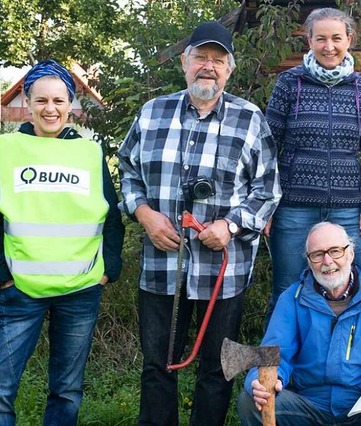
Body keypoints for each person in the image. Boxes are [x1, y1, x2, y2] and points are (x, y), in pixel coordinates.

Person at [117, 21, 281, 426]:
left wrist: (231, 225)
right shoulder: (152, 112)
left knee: (217, 369)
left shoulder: (250, 119)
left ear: (230, 68)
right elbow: (127, 171)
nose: (209, 66)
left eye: (218, 60)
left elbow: (268, 189)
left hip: (224, 272)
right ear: (184, 63)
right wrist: (144, 213)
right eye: (201, 57)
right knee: (158, 366)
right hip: (162, 267)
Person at [0, 59, 124, 425]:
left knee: (67, 391)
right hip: (19, 289)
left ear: (71, 103)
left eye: (58, 100)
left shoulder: (89, 151)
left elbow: (111, 216)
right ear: (27, 100)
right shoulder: (6, 149)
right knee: (2, 389)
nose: (50, 109)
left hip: (80, 290)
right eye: (41, 101)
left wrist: (109, 269)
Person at [237, 222, 361, 426]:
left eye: (335, 251)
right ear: (309, 261)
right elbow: (272, 355)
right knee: (250, 402)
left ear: (350, 254)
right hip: (307, 407)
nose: (327, 261)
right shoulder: (291, 299)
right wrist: (261, 382)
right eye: (317, 254)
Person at [265, 7, 361, 320]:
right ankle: (273, 369)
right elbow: (266, 150)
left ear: (349, 40)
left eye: (336, 38)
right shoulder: (289, 84)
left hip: (349, 211)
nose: (328, 46)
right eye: (321, 39)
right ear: (309, 40)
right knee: (287, 292)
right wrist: (265, 206)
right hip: (293, 209)